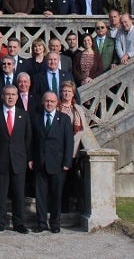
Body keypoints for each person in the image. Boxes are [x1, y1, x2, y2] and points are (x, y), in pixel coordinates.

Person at [0, 85, 32, 234]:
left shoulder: (24, 115)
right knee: (0, 195)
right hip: (0, 161)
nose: (10, 97)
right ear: (2, 96)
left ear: (17, 96)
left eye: (13, 94)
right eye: (7, 94)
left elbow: (28, 139)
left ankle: (19, 223)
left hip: (18, 161)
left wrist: (26, 157)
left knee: (19, 195)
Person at [31, 91, 74, 233]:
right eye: (47, 101)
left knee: (56, 196)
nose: (49, 104)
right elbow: (31, 141)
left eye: (52, 101)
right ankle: (41, 223)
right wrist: (31, 158)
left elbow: (69, 142)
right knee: (40, 195)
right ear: (43, 102)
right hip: (40, 163)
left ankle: (55, 223)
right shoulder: (36, 118)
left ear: (57, 103)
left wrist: (67, 162)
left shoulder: (64, 119)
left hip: (58, 164)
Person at [57, 81, 86, 213]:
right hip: (58, 151)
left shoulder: (78, 109)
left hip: (73, 152)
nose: (67, 93)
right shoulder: (56, 107)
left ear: (73, 93)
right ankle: (59, 207)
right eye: (64, 91)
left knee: (71, 181)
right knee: (58, 182)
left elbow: (83, 130)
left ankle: (71, 208)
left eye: (69, 91)